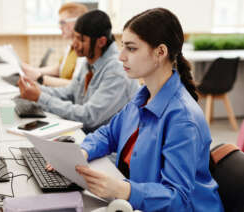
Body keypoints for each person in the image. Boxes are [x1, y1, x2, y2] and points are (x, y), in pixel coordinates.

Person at [74, 8, 224, 211]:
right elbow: (109, 134)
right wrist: (83, 151)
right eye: (122, 47)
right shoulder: (143, 97)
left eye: (131, 48)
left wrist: (123, 190)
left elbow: (177, 197)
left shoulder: (182, 118)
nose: (121, 57)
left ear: (160, 52)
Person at [18, 10, 139, 133]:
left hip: (107, 147)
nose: (74, 44)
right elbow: (69, 93)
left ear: (101, 42)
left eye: (81, 40)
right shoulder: (90, 61)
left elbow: (88, 117)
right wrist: (35, 89)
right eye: (74, 37)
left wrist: (40, 98)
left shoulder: (117, 71)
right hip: (87, 135)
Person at [21, 2, 88, 87]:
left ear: (78, 22)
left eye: (63, 22)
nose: (60, 27)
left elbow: (75, 86)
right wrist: (33, 70)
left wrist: (40, 77)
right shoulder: (70, 47)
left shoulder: (84, 52)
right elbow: (58, 69)